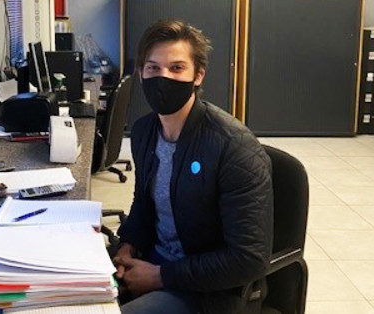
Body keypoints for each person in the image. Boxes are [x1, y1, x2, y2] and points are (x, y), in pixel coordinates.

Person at [113, 19, 274, 314]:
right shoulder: (144, 132)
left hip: (209, 290)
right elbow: (145, 203)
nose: (163, 78)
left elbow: (249, 258)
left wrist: (158, 276)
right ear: (140, 73)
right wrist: (128, 245)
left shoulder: (233, 146)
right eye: (153, 68)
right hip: (153, 262)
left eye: (176, 68)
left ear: (198, 75)